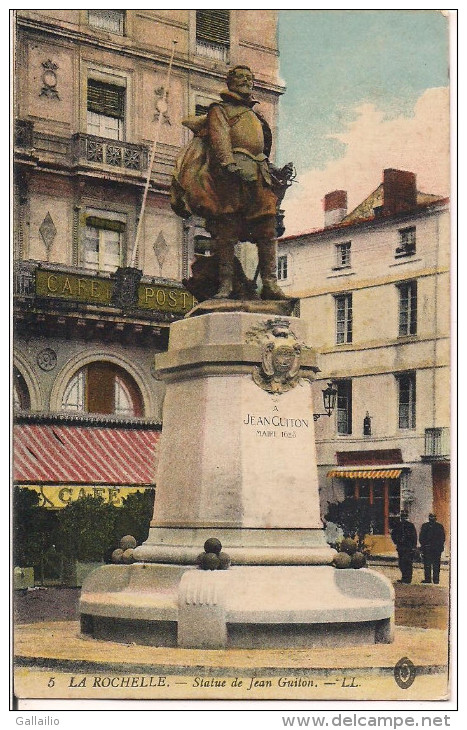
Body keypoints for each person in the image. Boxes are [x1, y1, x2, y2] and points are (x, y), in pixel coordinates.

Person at [171, 65, 292, 301]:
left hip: (258, 174)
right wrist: (229, 165)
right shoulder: (220, 110)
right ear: (230, 82)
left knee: (267, 228)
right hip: (230, 178)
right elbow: (219, 139)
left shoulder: (256, 116)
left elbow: (262, 151)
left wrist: (277, 171)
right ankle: (225, 285)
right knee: (226, 231)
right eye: (240, 78)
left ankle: (270, 283)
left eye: (249, 77)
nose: (246, 81)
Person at [391, 510, 417, 584]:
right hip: (401, 547)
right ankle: (403, 577)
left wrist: (413, 547)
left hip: (408, 547)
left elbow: (414, 536)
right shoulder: (398, 525)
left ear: (407, 517)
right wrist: (396, 541)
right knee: (401, 563)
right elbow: (393, 534)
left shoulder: (410, 525)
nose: (404, 518)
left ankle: (408, 579)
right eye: (402, 516)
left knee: (408, 563)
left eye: (405, 516)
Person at [419, 513, 445, 584]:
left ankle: (436, 579)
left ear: (435, 518)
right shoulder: (425, 526)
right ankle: (428, 579)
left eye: (433, 517)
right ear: (429, 518)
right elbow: (421, 537)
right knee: (427, 564)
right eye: (430, 517)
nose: (432, 518)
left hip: (436, 549)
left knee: (436, 564)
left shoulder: (439, 526)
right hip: (427, 548)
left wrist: (440, 546)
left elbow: (442, 538)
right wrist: (423, 546)